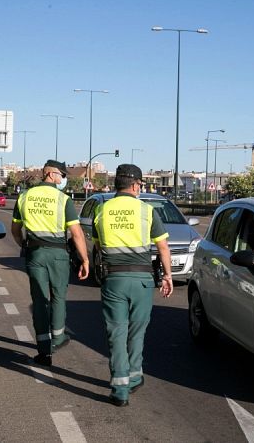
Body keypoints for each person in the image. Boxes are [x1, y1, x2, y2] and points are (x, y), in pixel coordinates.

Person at [92, 164, 173, 407]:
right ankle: (135, 377)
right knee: (137, 332)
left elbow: (98, 246)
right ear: (136, 185)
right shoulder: (147, 211)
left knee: (116, 332)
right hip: (142, 281)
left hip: (113, 280)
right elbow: (163, 248)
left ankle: (120, 389)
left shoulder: (102, 210)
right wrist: (168, 276)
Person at [11, 160, 90, 366]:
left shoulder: (25, 196)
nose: (63, 179)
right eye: (62, 175)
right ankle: (58, 337)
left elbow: (15, 230)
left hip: (35, 253)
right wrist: (85, 259)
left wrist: (25, 245)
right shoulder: (63, 200)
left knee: (39, 300)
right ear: (51, 174)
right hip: (58, 255)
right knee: (58, 296)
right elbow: (77, 233)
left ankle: (44, 351)